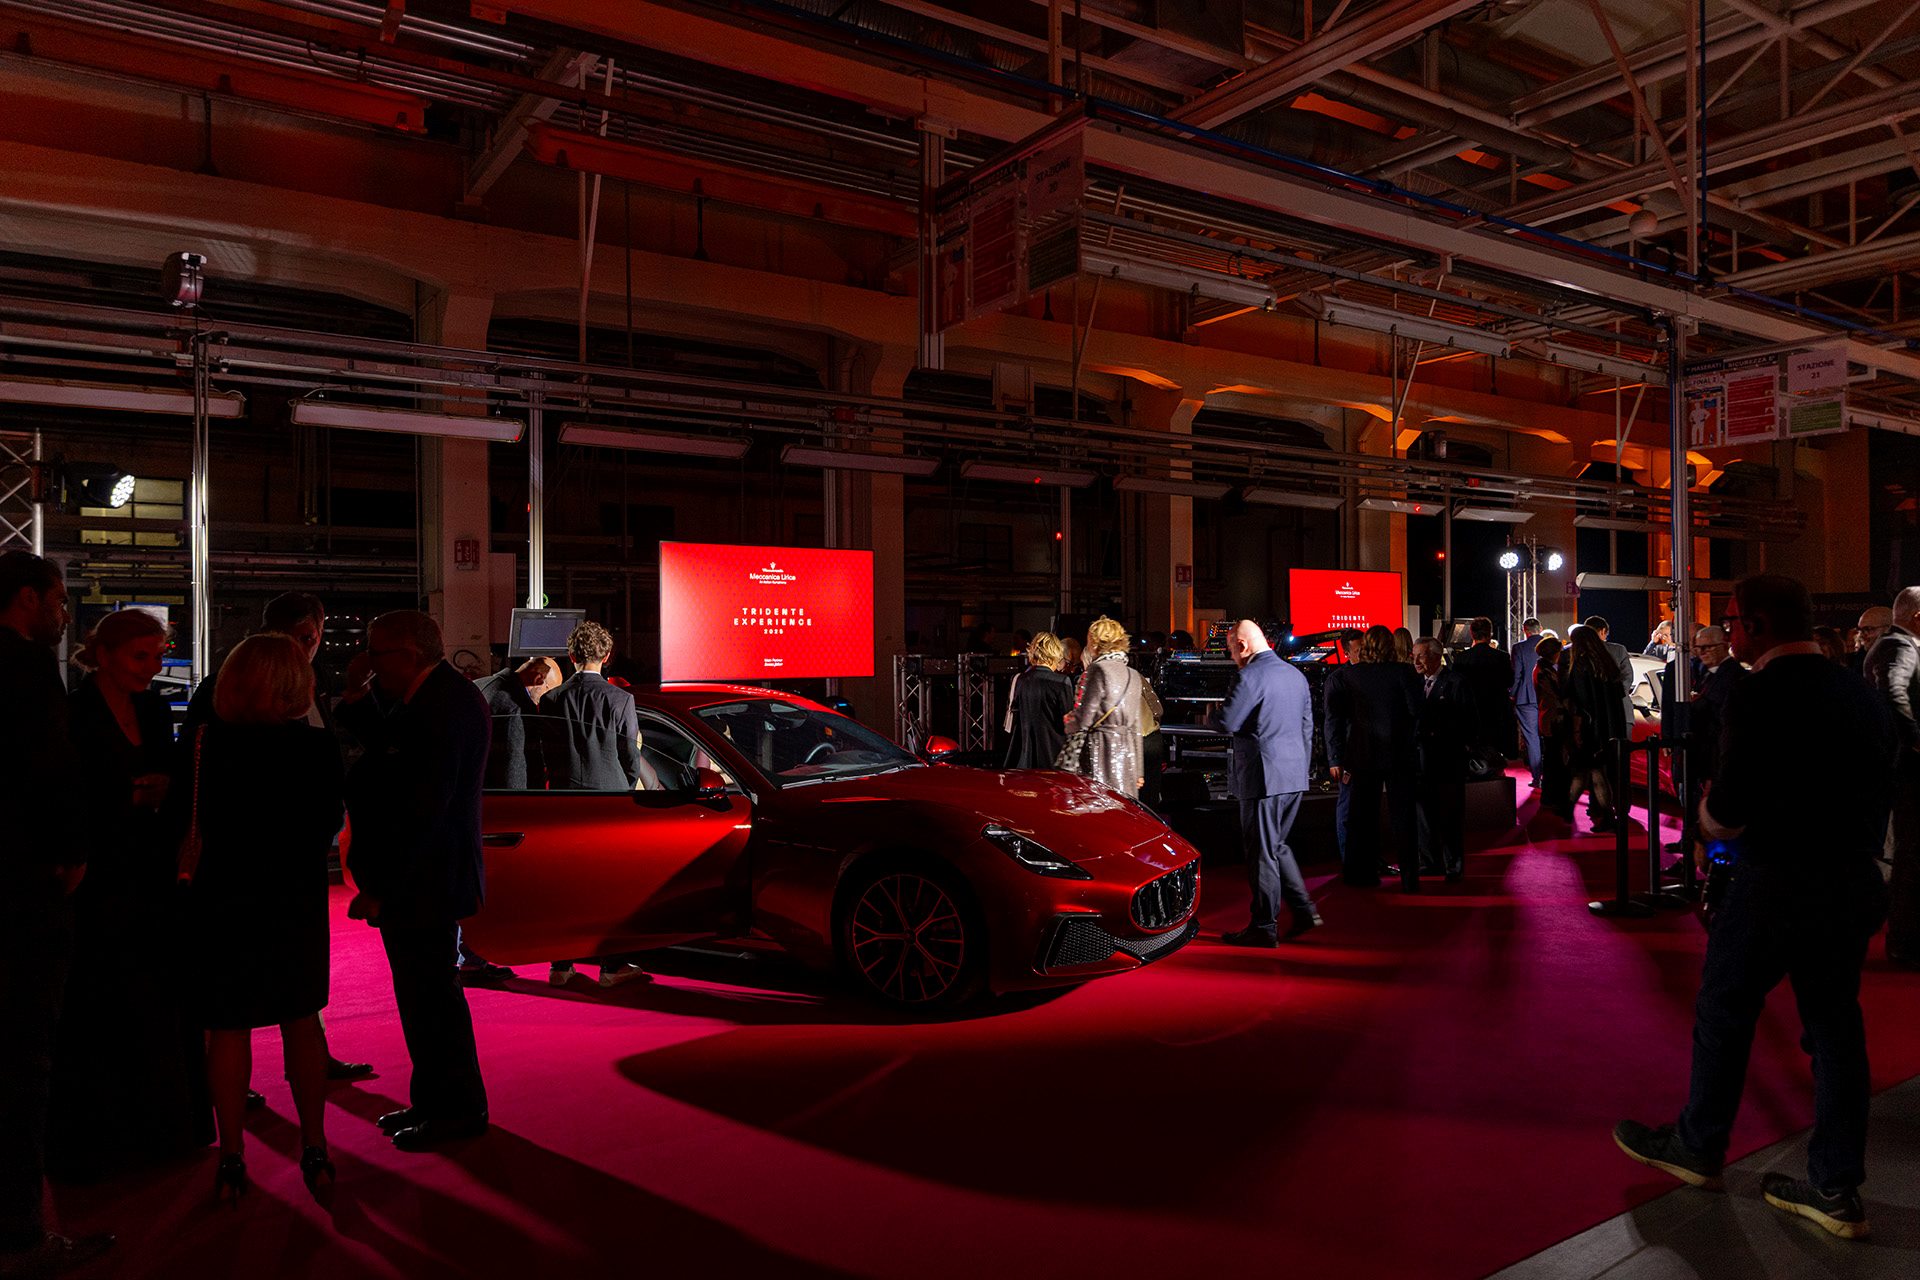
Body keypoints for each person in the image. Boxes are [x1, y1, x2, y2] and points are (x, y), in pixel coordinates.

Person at [1615, 574, 1895, 1241]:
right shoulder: (1859, 690)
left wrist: (1708, 821)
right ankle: (1835, 1186)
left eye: (1734, 620)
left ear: (1759, 625)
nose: (1729, 631)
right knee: (1835, 1030)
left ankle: (1699, 1145)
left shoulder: (1758, 692)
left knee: (1724, 1008)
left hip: (1776, 882)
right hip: (1850, 880)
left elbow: (1733, 803)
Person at [185, 635, 346, 1201]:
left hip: (222, 899)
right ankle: (315, 1145)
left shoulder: (203, 743)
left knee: (227, 1027)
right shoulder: (315, 750)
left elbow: (186, 820)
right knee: (300, 1021)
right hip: (292, 900)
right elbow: (327, 825)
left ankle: (231, 1154)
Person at [184, 591, 368, 1084]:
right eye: (301, 637)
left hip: (284, 873)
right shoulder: (224, 695)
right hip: (242, 871)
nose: (305, 647)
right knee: (233, 998)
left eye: (310, 638)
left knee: (290, 993)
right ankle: (225, 1083)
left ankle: (300, 1063)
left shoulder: (307, 688)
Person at [51, 611, 210, 1180]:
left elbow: (171, 777)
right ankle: (106, 1136)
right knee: (103, 997)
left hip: (150, 871)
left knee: (156, 996)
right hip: (99, 876)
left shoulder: (153, 708)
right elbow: (65, 796)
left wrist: (163, 790)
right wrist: (129, 797)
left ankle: (163, 1127)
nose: (153, 667)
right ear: (104, 655)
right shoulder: (73, 712)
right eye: (141, 656)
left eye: (158, 655)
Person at [337, 611, 492, 1151]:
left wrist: (383, 886)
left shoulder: (443, 705)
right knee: (424, 999)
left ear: (408, 654)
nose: (368, 662)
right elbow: (391, 754)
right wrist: (357, 698)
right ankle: (434, 1103)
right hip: (425, 876)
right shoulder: (434, 697)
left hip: (425, 879)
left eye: (376, 653)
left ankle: (456, 1111)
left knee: (431, 1002)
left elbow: (424, 808)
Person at [0, 553, 115, 1277]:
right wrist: (73, 850)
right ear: (27, 599)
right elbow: (50, 770)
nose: (65, 614)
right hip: (22, 889)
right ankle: (19, 1235)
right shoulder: (26, 669)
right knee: (22, 1061)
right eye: (59, 600)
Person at [1218, 620, 1320, 946]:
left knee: (1262, 853)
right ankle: (1304, 911)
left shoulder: (1250, 676)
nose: (1231, 656)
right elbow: (1307, 727)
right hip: (1293, 775)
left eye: (1231, 649)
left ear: (1243, 645)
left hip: (1262, 777)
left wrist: (1212, 714)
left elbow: (1227, 722)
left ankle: (1264, 926)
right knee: (1276, 845)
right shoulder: (1295, 675)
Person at [1323, 625, 1421, 891]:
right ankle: (1410, 879)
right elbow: (1416, 710)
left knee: (1362, 818)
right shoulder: (1403, 672)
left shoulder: (1349, 676)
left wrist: (1336, 755)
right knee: (1404, 818)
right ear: (1391, 646)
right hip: (1399, 754)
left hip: (1363, 754)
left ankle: (1360, 875)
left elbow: (1336, 718)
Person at [1865, 586, 1920, 967]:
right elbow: (1893, 693)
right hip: (1909, 773)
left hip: (1903, 770)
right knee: (1911, 857)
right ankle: (1906, 944)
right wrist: (1916, 741)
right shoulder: (1899, 646)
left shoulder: (1897, 645)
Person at [543, 622, 642, 792]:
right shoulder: (622, 699)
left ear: (571, 656)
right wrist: (626, 788)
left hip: (565, 791)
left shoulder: (551, 699)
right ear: (606, 657)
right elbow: (630, 753)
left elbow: (548, 753)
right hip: (612, 791)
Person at [1412, 637, 1479, 883]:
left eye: (1420, 655)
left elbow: (1470, 721)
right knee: (1424, 815)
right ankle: (1429, 863)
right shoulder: (1414, 683)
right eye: (1413, 655)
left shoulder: (1456, 682)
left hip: (1448, 761)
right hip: (1421, 762)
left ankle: (1454, 865)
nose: (1416, 661)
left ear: (1435, 656)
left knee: (1450, 815)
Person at [1061, 616, 1143, 797]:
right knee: (1122, 804)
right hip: (1127, 755)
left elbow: (1085, 718)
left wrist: (1069, 722)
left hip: (1101, 750)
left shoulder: (1097, 670)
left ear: (1095, 641)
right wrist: (1138, 770)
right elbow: (1136, 726)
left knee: (1098, 801)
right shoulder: (1133, 675)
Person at [1566, 624, 1628, 832]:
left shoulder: (1581, 664)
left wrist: (1576, 731)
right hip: (1611, 725)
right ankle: (1572, 808)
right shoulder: (1608, 664)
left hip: (1591, 727)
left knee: (1592, 771)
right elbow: (1620, 695)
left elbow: (1580, 701)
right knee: (1594, 770)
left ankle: (1603, 815)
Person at [474, 655, 562, 790]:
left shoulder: (478, 684)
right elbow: (514, 765)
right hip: (497, 792)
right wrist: (518, 797)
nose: (544, 700)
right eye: (548, 691)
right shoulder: (515, 706)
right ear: (538, 679)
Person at [1003, 632, 1074, 769]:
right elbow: (1067, 722)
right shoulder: (1062, 682)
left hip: (1025, 757)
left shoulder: (1020, 680)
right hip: (1053, 757)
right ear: (1055, 653)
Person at [1452, 616, 1513, 767]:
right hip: (1496, 709)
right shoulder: (1502, 656)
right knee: (1494, 746)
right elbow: (1509, 681)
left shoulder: (1461, 658)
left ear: (1472, 634)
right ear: (1490, 633)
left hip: (1471, 709)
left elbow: (1456, 685)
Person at [1533, 636, 1573, 821]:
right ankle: (1553, 797)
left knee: (1552, 759)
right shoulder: (1544, 672)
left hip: (1549, 718)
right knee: (1554, 760)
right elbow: (1556, 695)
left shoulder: (1543, 668)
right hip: (1553, 720)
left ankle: (1550, 797)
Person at [1510, 617, 1544, 789]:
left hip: (1527, 698)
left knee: (1532, 738)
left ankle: (1538, 778)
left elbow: (1517, 674)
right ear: (1541, 628)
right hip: (1548, 698)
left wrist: (1512, 694)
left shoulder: (1519, 648)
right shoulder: (1552, 646)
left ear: (1525, 630)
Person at [1586, 615, 1637, 727]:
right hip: (1620, 712)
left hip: (1591, 715)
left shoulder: (1578, 652)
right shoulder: (1618, 650)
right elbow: (1627, 678)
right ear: (1603, 631)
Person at [1851, 605, 1892, 677]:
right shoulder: (1855, 663)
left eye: (1868, 629)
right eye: (1860, 630)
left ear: (1888, 629)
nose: (1861, 635)